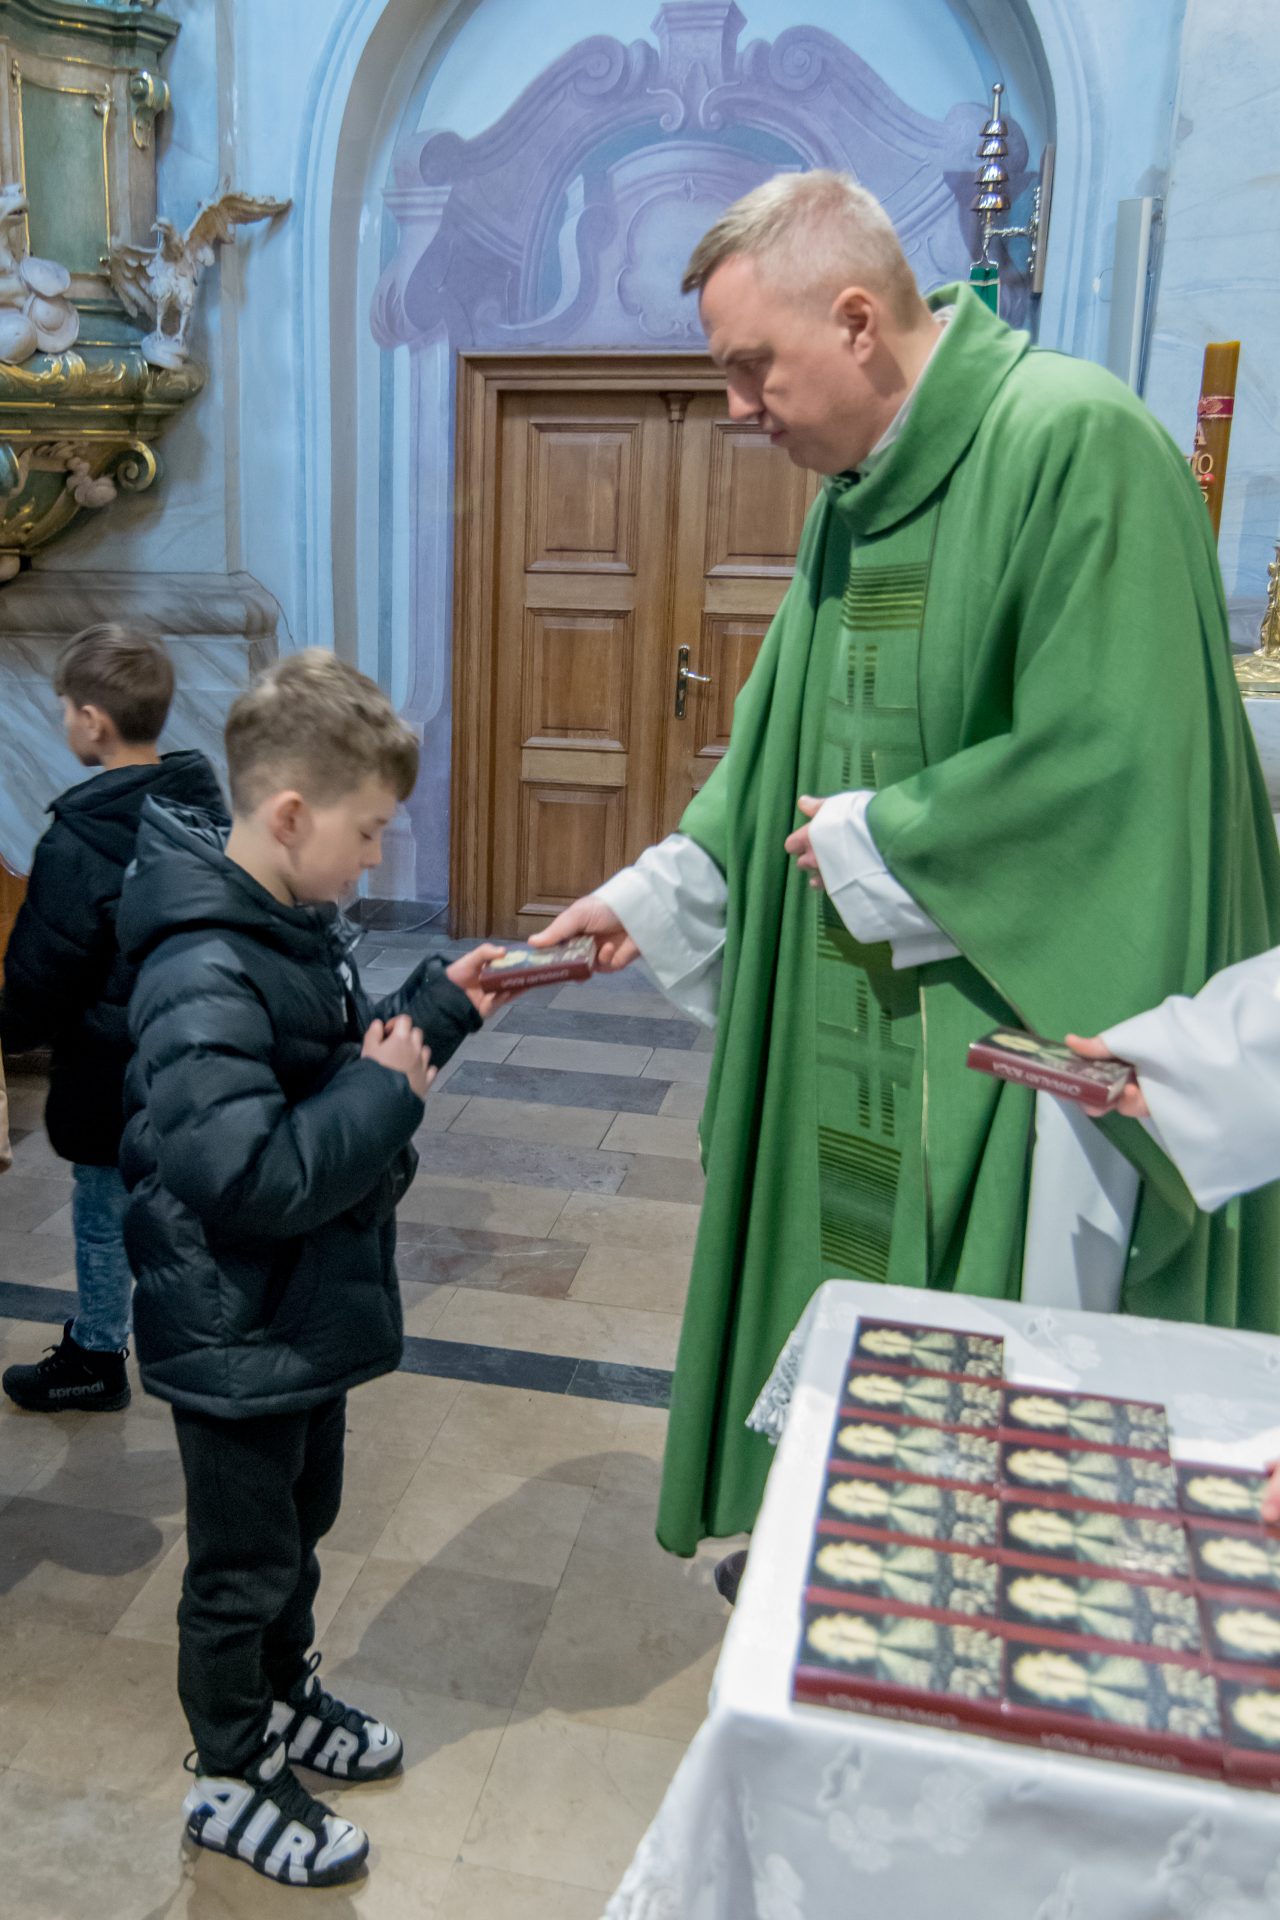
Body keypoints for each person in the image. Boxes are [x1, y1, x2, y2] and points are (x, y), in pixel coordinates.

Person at [534, 169, 1280, 1557]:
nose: (738, 408)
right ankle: (845, 1541)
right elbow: (781, 734)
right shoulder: (853, 489)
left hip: (1004, 1019)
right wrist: (665, 888)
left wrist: (890, 838)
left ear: (857, 321)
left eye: (751, 367)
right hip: (848, 1015)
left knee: (999, 1433)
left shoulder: (1077, 442)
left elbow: (1123, 757)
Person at [116, 650, 506, 1890]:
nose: (377, 858)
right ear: (290, 814)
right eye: (369, 831)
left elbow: (325, 1068)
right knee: (240, 1573)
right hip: (232, 1331)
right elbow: (250, 1176)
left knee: (298, 1531)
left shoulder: (280, 929)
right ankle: (229, 1775)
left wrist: (436, 1010)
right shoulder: (199, 967)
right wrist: (385, 1095)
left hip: (290, 1321)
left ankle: (284, 1700)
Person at [0, 623, 224, 1413]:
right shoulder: (207, 812)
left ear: (93, 721)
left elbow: (43, 973)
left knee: (101, 1216)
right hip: (199, 1058)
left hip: (109, 1072)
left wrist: (8, 1027)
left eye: (65, 706)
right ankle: (213, 1345)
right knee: (193, 1211)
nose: (64, 719)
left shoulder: (78, 840)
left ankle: (96, 1355)